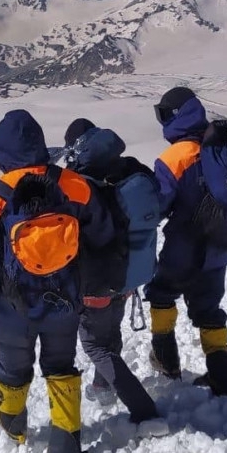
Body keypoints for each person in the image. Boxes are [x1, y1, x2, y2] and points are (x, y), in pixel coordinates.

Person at [0, 109, 113, 453]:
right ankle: (65, 449)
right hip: (65, 299)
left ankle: (13, 424)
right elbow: (102, 235)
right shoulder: (74, 185)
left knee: (14, 366)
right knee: (61, 368)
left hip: (11, 305)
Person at [61, 118, 160, 424]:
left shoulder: (77, 184)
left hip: (96, 282)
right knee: (108, 333)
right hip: (130, 272)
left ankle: (143, 408)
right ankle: (102, 387)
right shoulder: (132, 168)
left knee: (94, 344)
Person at [146, 86, 227, 396]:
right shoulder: (221, 148)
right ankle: (222, 377)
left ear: (174, 117)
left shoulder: (175, 157)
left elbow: (158, 205)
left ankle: (166, 361)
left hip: (184, 247)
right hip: (221, 246)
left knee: (161, 293)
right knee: (209, 308)